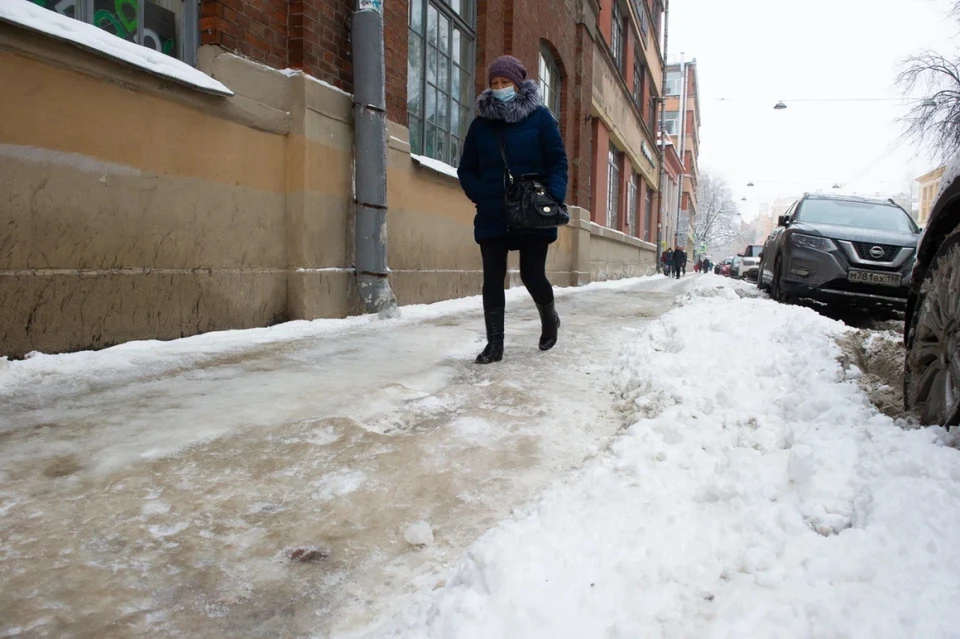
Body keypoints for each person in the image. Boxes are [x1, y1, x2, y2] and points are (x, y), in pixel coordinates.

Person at [457, 55, 568, 365]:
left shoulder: (541, 118)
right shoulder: (481, 125)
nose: (500, 88)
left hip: (533, 209)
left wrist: (554, 196)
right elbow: (466, 169)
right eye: (494, 84)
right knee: (493, 277)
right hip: (493, 211)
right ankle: (495, 345)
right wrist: (480, 194)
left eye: (505, 82)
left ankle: (549, 320)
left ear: (519, 84)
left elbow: (558, 161)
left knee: (533, 275)